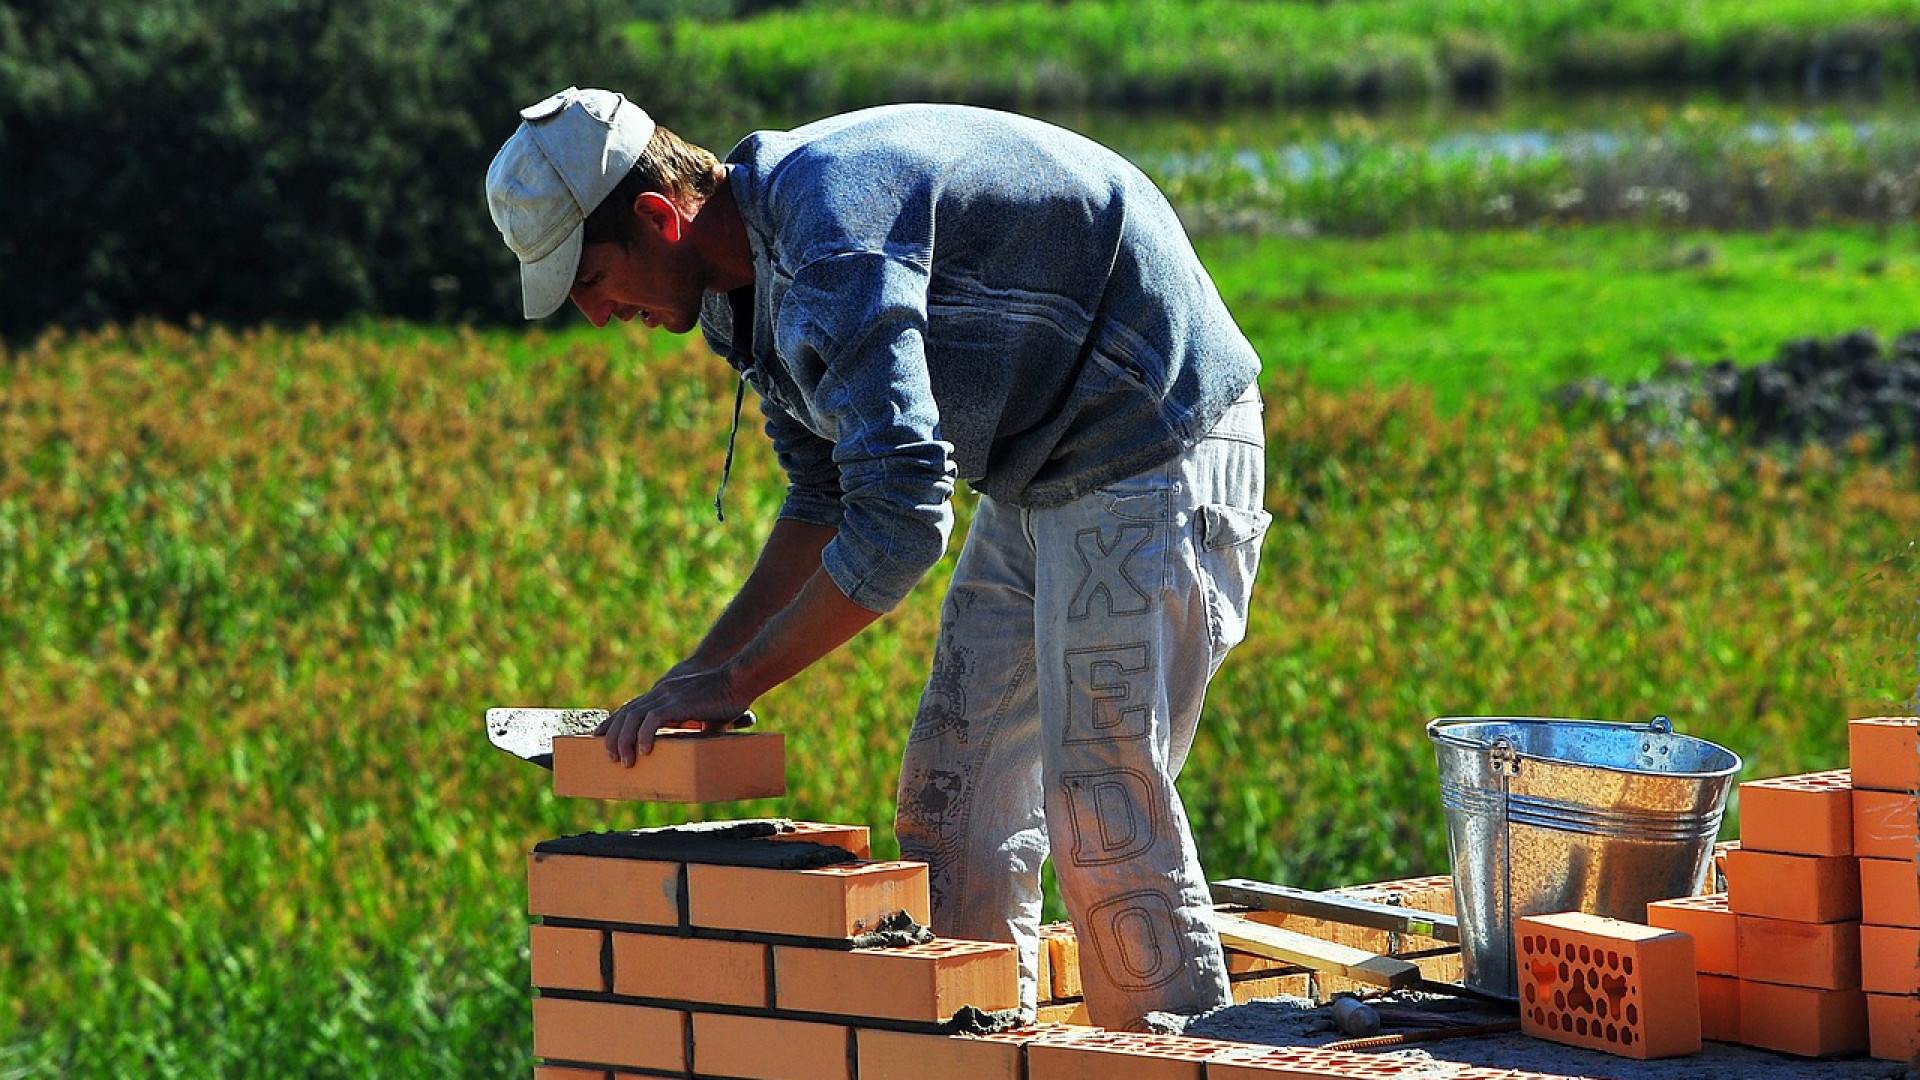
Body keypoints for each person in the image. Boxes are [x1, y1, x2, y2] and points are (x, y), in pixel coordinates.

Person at [486, 86, 1271, 1030]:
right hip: (1041, 459)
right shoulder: (747, 295)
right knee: (951, 805)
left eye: (590, 281)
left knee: (1101, 803)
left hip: (1149, 426)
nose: (599, 315)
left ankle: (1176, 1055)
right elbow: (826, 498)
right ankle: (983, 1049)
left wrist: (735, 679)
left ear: (659, 217)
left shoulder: (830, 239)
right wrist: (693, 677)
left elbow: (902, 520)